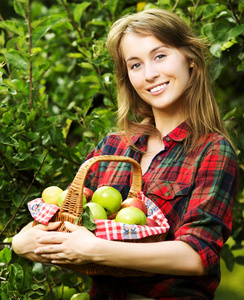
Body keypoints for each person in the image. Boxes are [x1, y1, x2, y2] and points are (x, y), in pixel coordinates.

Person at [12, 8, 238, 300]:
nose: (150, 74)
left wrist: (93, 249)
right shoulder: (113, 147)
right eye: (135, 65)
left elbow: (196, 257)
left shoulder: (212, 150)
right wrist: (22, 241)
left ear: (190, 59)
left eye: (160, 56)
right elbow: (65, 216)